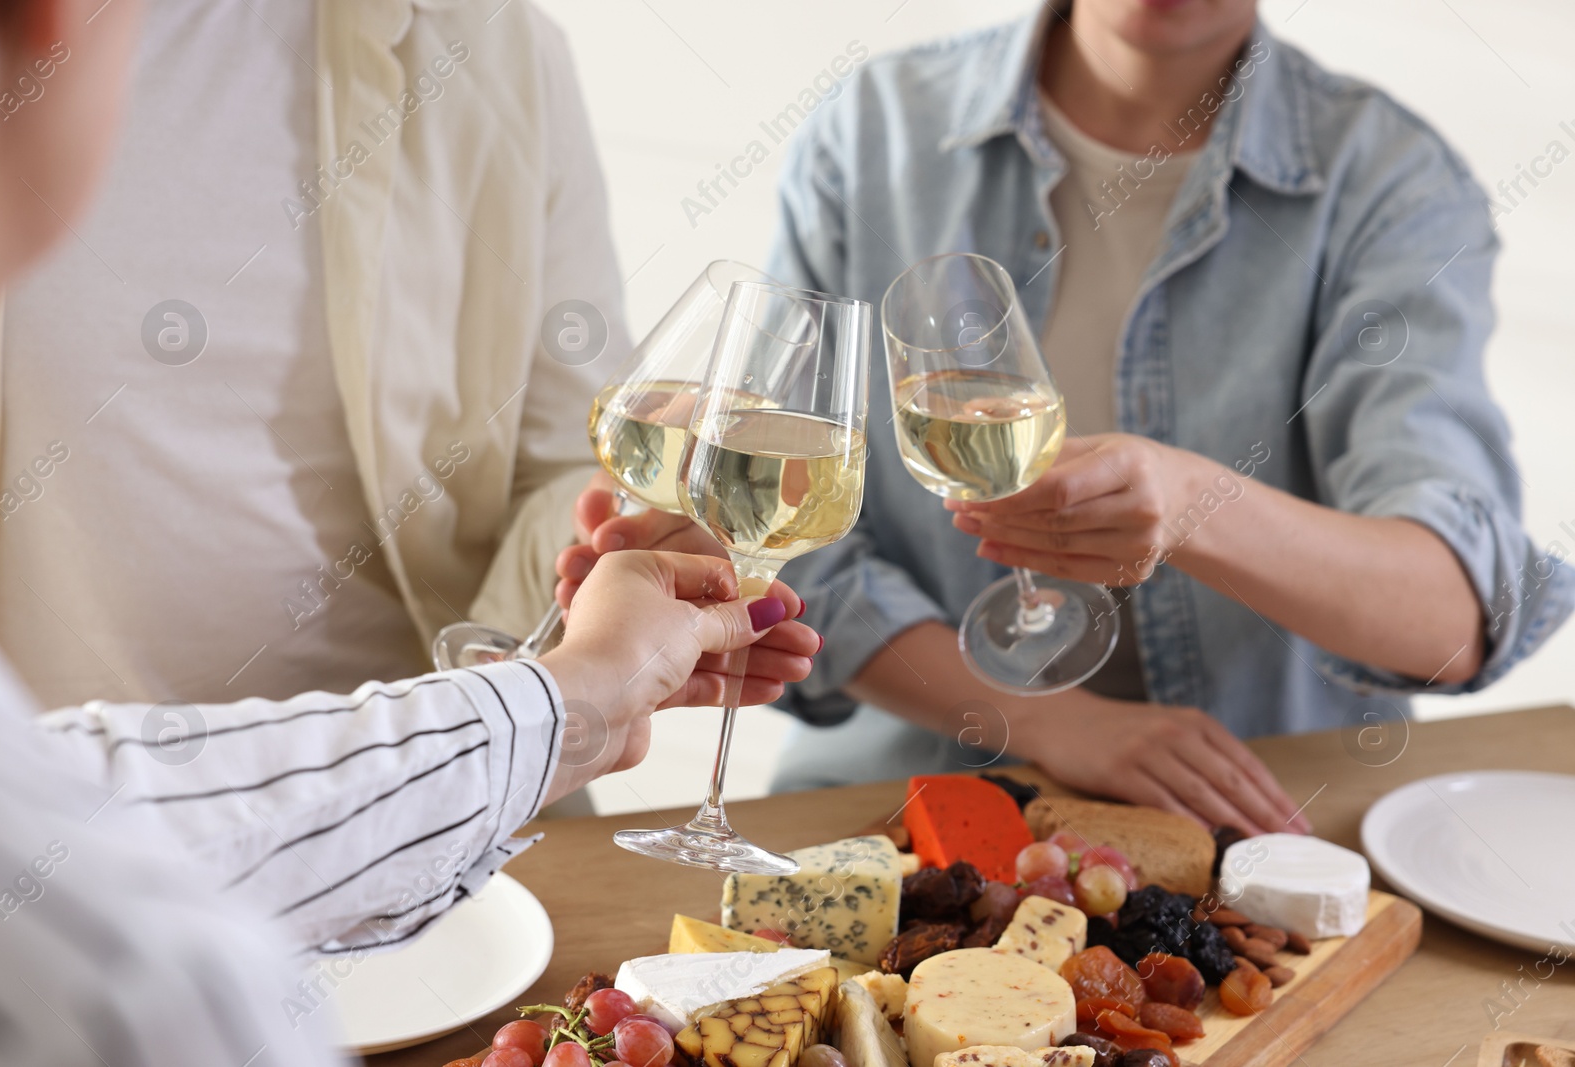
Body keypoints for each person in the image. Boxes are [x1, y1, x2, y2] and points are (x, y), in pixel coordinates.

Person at [0, 1, 819, 1062]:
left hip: (464, 881)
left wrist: (604, 581)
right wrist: (576, 698)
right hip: (60, 851)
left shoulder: (487, 44)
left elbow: (570, 453)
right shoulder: (26, 57)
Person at [561, 0, 1573, 835]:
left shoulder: (1390, 180)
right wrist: (1053, 721)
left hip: (1256, 822)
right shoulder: (876, 131)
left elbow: (1455, 615)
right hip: (899, 805)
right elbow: (808, 534)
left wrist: (1192, 505)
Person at [0, 0, 629, 713]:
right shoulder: (11, 37)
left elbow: (571, 463)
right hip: (31, 799)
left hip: (414, 792)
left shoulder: (491, 47)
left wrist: (626, 534)